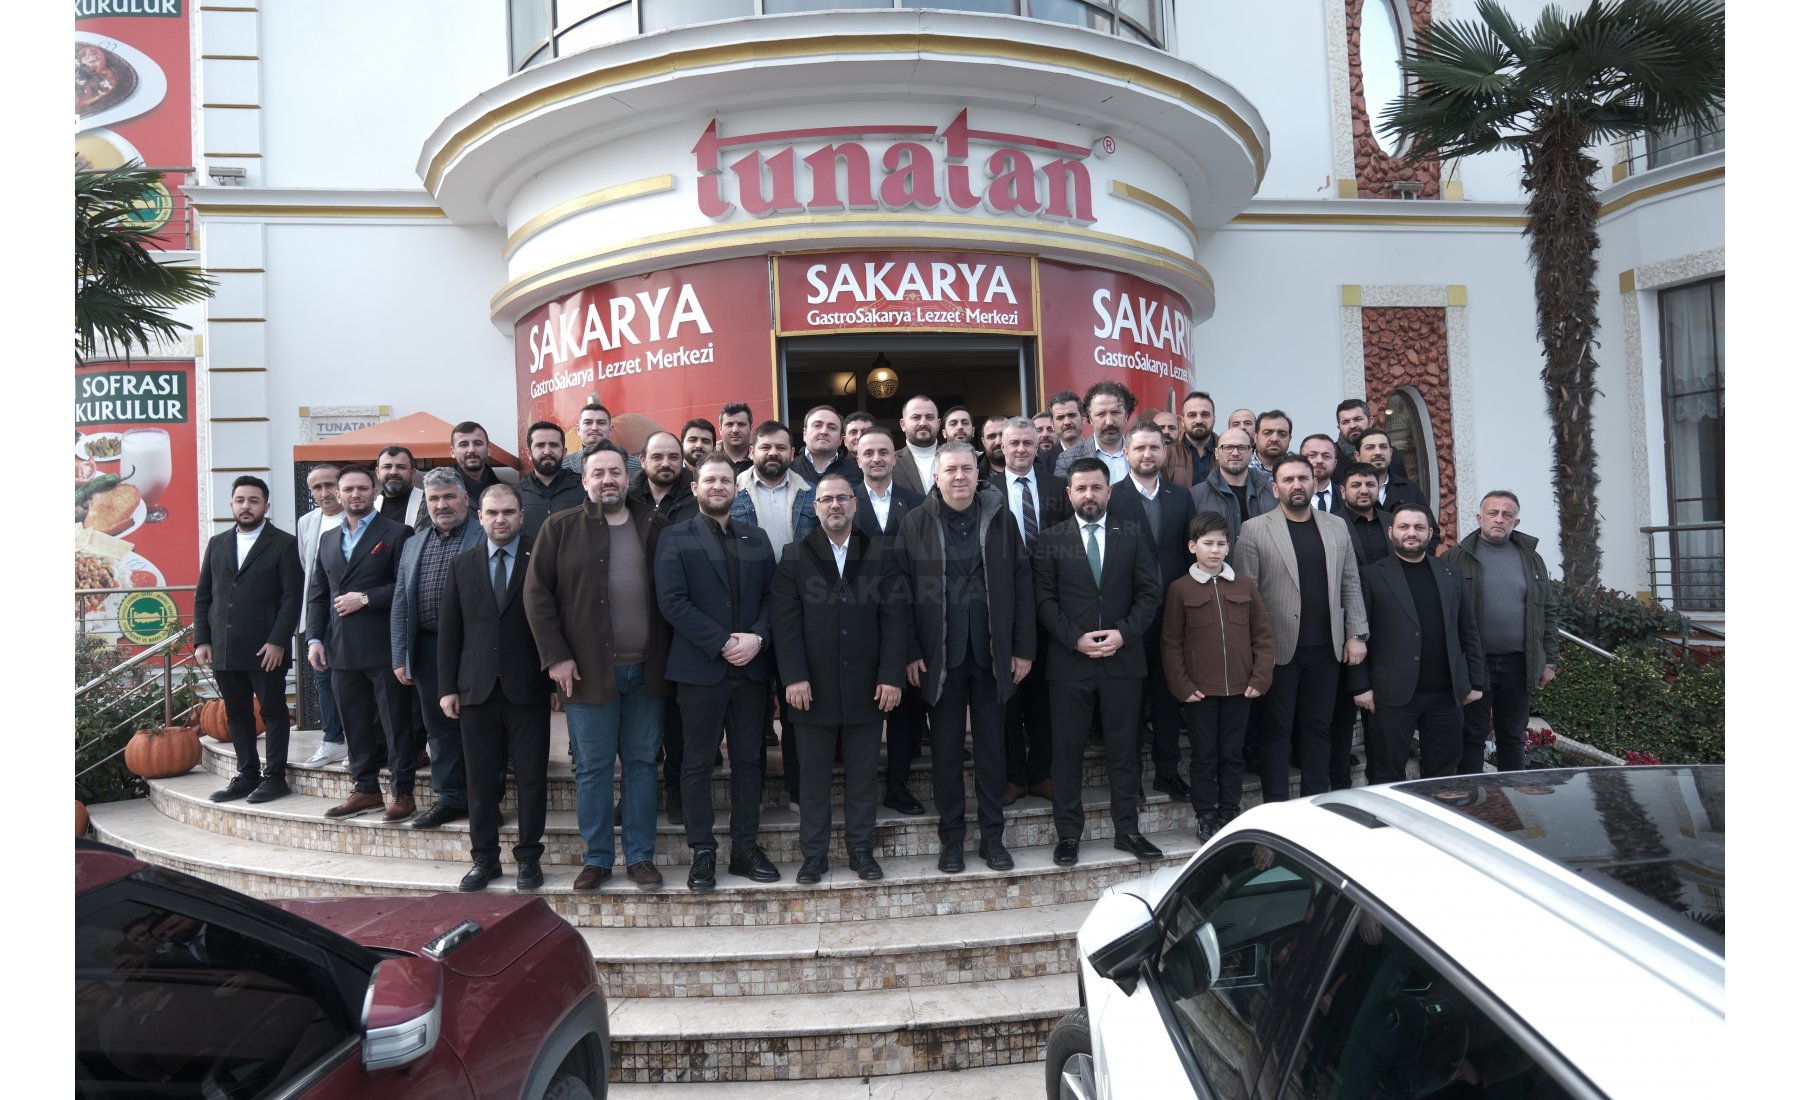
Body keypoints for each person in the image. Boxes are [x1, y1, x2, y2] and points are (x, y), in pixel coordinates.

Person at [892, 441, 1035, 875]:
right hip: (940, 657)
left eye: (967, 469)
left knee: (992, 752)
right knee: (947, 753)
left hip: (992, 655)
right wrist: (910, 650)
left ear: (978, 474)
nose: (959, 476)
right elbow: (900, 592)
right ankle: (951, 839)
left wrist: (1022, 648)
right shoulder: (915, 522)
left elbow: (1022, 583)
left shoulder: (1002, 518)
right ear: (936, 477)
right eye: (950, 469)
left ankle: (993, 838)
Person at [769, 473, 906, 883]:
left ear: (854, 503)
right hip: (811, 689)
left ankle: (861, 852)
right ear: (815, 507)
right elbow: (784, 623)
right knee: (813, 780)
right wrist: (793, 677)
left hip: (868, 687)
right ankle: (814, 856)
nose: (835, 505)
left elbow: (896, 621)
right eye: (826, 499)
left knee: (863, 778)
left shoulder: (880, 555)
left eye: (842, 498)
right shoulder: (794, 557)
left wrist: (891, 676)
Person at [654, 453, 781, 890]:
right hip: (700, 669)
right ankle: (702, 851)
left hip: (751, 670)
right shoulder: (674, 537)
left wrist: (758, 638)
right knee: (696, 763)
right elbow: (672, 601)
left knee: (749, 761)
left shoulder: (756, 538)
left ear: (736, 487)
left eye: (725, 480)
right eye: (709, 480)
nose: (718, 486)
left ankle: (744, 849)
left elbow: (773, 597)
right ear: (695, 488)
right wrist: (723, 642)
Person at [1034, 457, 1163, 866]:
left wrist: (1124, 633)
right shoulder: (1050, 539)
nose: (1089, 495)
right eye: (1081, 488)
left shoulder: (1132, 534)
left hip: (1123, 660)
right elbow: (1044, 600)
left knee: (1125, 751)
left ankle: (1128, 831)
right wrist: (1075, 638)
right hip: (1069, 664)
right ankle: (1069, 834)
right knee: (1067, 752)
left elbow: (1150, 593)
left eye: (1096, 487)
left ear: (1109, 491)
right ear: (1069, 493)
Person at [438, 484, 553, 891]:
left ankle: (528, 857)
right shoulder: (462, 564)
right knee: (481, 780)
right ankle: (484, 859)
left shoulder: (541, 558)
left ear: (522, 516)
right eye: (492, 512)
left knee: (532, 778)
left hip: (529, 686)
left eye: (508, 512)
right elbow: (450, 631)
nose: (500, 519)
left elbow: (555, 620)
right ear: (480, 517)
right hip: (476, 689)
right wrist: (447, 687)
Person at [1236, 454, 1367, 801]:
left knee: (1319, 728)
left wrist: (1356, 634)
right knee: (1276, 729)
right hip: (1277, 650)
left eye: (1303, 478)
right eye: (1289, 479)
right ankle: (1277, 806)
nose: (1297, 485)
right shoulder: (1254, 529)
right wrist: (1254, 650)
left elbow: (1350, 583)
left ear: (1315, 483)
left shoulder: (1336, 526)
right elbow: (1246, 595)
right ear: (1275, 488)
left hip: (1327, 648)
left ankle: (1315, 802)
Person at [306, 465, 417, 820]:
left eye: (363, 488)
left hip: (385, 646)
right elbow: (319, 595)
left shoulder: (397, 533)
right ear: (338, 495)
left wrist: (366, 598)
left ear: (375, 492)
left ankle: (403, 793)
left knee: (395, 725)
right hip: (340, 647)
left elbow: (406, 586)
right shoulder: (327, 539)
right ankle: (365, 789)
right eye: (349, 489)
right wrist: (314, 638)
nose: (356, 494)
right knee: (355, 725)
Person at [1350, 504, 1485, 782]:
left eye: (1419, 527)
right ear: (1391, 532)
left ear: (1430, 533)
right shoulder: (1371, 576)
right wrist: (1361, 686)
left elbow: (1468, 631)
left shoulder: (1451, 573)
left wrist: (1475, 681)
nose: (1411, 533)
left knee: (1443, 777)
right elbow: (1357, 634)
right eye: (1404, 527)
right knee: (1386, 775)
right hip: (1392, 696)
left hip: (1446, 695)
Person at [1160, 511, 1274, 840]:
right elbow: (1171, 643)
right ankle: (1206, 815)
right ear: (1192, 546)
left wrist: (1260, 678)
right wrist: (1182, 686)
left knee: (1232, 755)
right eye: (1207, 543)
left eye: (1221, 544)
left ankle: (1228, 812)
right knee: (1205, 756)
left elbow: (1263, 636)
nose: (1215, 550)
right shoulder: (1180, 589)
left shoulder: (1244, 585)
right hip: (1200, 693)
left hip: (1241, 689)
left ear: (1229, 546)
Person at [195, 476, 304, 804]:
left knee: (273, 712)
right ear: (232, 504)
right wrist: (202, 640)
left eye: (253, 500)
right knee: (237, 714)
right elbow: (204, 596)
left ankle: (275, 778)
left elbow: (291, 598)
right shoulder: (217, 543)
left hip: (266, 648)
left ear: (266, 506)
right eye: (240, 500)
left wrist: (278, 641)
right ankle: (247, 774)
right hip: (225, 647)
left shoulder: (283, 543)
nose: (246, 506)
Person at [389, 468, 485, 829]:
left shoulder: (485, 536)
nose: (441, 504)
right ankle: (450, 798)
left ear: (465, 499)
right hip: (428, 649)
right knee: (439, 729)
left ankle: (484, 798)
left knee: (481, 727)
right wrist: (401, 655)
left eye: (449, 496)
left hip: (476, 650)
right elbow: (401, 602)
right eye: (434, 498)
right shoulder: (414, 543)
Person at [1106, 421, 1196, 800]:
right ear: (1126, 453)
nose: (1147, 454)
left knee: (1167, 696)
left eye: (1154, 448)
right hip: (1127, 614)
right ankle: (1130, 779)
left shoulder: (1182, 497)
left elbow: (1187, 552)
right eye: (1140, 448)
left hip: (1172, 613)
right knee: (1128, 701)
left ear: (1164, 452)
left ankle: (1167, 771)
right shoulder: (1112, 496)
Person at [1441, 491, 1560, 773]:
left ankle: (1510, 794)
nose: (1499, 519)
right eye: (1492, 513)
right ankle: (1472, 794)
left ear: (1515, 522)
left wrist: (1550, 661)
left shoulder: (1532, 559)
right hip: (1473, 662)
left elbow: (1548, 611)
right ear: (1479, 518)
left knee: (1513, 736)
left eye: (1507, 515)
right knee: (1471, 734)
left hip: (1519, 662)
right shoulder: (1454, 558)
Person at [991, 416, 1068, 804]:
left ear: (1038, 446)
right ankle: (1012, 776)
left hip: (1052, 602)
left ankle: (1040, 773)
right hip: (1003, 606)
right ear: (1001, 447)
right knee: (1007, 694)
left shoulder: (1058, 488)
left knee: (1046, 696)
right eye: (1014, 443)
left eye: (1027, 443)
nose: (1021, 449)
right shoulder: (985, 491)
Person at [852, 426, 928, 814]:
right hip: (857, 620)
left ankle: (898, 785)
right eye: (869, 452)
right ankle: (859, 792)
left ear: (894, 458)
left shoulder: (917, 503)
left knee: (903, 710)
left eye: (884, 452)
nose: (877, 458)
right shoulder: (843, 500)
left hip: (908, 616)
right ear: (857, 458)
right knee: (861, 708)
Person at [295, 462, 349, 766]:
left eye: (330, 484)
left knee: (357, 682)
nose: (325, 492)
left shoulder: (361, 516)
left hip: (354, 613)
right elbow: (308, 568)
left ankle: (361, 741)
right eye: (317, 487)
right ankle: (333, 739)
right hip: (320, 614)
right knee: (324, 680)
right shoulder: (307, 522)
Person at [731, 421, 818, 557]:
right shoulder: (732, 492)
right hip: (748, 570)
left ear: (792, 453)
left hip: (798, 570)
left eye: (781, 448)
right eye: (765, 447)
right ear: (752, 452)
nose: (773, 453)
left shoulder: (812, 493)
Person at [1189, 427, 1275, 547]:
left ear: (1251, 452)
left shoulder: (1272, 492)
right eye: (1228, 447)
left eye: (1242, 447)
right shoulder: (1195, 495)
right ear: (1217, 453)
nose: (1235, 453)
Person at [1053, 380, 1134, 482]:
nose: (1109, 422)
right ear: (1090, 418)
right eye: (1101, 414)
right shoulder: (1067, 460)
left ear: (1126, 415)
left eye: (1115, 412)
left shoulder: (1143, 454)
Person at [517, 419, 585, 539]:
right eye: (540, 445)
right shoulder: (516, 494)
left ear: (564, 452)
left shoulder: (584, 489)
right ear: (529, 453)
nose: (547, 451)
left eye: (553, 445)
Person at [629, 430, 698, 522]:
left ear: (682, 460)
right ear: (642, 461)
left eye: (673, 457)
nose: (665, 464)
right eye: (657, 457)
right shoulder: (628, 498)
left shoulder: (699, 498)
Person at [560, 403, 642, 478]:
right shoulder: (563, 466)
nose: (594, 428)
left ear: (611, 430)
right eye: (588, 423)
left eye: (601, 423)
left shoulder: (633, 465)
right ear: (578, 430)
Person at [1334, 397, 1408, 478]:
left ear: (1370, 421)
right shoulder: (1330, 457)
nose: (1352, 426)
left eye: (1357, 419)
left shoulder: (1392, 455)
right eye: (1345, 422)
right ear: (1339, 428)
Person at [793, 404, 862, 487]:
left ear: (841, 439)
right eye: (817, 425)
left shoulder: (857, 473)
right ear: (805, 434)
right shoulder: (788, 470)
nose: (824, 432)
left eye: (832, 428)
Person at [891, 394, 940, 495]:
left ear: (939, 424)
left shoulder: (955, 458)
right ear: (903, 425)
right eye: (916, 417)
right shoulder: (889, 462)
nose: (923, 423)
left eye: (929, 417)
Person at [449, 420, 504, 501]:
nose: (471, 450)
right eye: (463, 445)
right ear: (452, 452)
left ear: (488, 449)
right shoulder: (440, 491)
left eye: (478, 443)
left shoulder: (506, 491)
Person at [374, 445, 424, 529]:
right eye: (387, 467)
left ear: (412, 473)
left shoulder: (428, 502)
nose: (393, 472)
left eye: (401, 467)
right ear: (378, 473)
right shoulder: (371, 506)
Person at [1179, 390, 1218, 484]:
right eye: (1192, 415)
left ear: (1214, 420)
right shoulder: (1167, 455)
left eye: (1205, 415)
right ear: (1183, 421)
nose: (1199, 421)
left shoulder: (1228, 452)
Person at [1300, 434, 1340, 512]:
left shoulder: (1347, 495)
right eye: (1312, 455)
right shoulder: (1286, 494)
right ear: (1300, 460)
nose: (1319, 461)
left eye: (1326, 456)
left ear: (1335, 464)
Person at [1153, 409, 1192, 487]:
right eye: (1161, 428)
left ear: (1179, 433)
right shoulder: (1140, 457)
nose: (1166, 432)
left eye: (1172, 428)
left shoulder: (1190, 458)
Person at [1248, 410, 1293, 475]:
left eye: (1282, 434)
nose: (1274, 439)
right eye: (1267, 433)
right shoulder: (1243, 467)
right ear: (1255, 437)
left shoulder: (1299, 468)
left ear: (1289, 439)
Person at [718, 401, 755, 475]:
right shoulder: (708, 460)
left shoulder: (762, 460)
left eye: (741, 424)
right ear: (720, 429)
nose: (735, 430)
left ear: (751, 429)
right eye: (729, 424)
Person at [979, 413, 1009, 478]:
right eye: (991, 437)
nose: (998, 442)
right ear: (983, 442)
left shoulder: (1031, 469)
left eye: (1003, 435)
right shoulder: (974, 476)